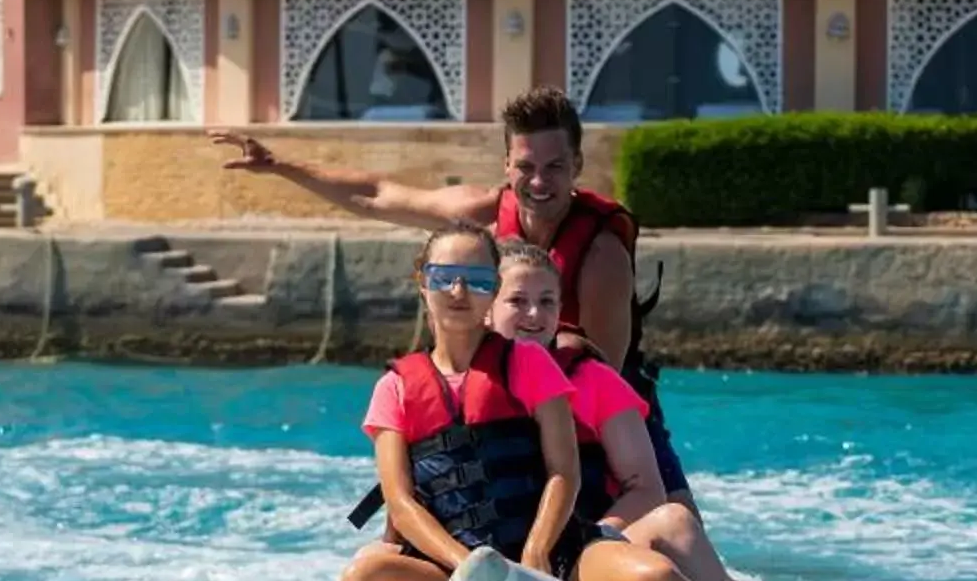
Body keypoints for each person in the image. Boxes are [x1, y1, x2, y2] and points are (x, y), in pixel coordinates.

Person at [331, 223, 773, 581]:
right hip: (453, 571)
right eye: (444, 276)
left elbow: (563, 471)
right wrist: (470, 567)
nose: (458, 291)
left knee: (655, 579)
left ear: (490, 289)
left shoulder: (532, 367)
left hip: (554, 560)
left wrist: (536, 551)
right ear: (421, 282)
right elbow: (400, 502)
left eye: (475, 279)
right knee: (364, 578)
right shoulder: (395, 387)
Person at [212, 88, 686, 499]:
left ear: (577, 166)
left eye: (555, 167)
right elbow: (378, 194)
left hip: (609, 420)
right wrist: (279, 165)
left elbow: (601, 374)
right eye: (526, 166)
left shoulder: (602, 254)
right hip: (505, 408)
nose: (539, 182)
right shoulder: (482, 214)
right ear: (507, 165)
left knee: (679, 541)